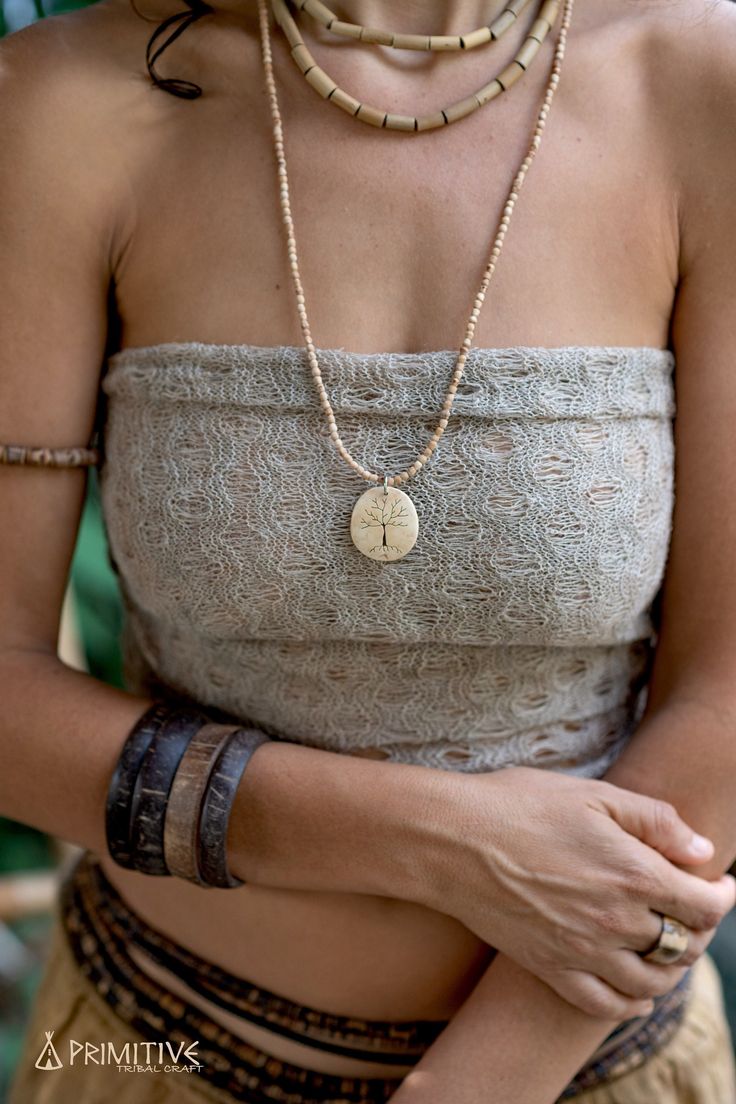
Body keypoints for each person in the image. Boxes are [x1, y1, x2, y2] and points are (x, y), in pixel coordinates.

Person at [2, 0, 736, 1100]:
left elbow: (727, 693)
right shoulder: (66, 101)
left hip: (583, 1074)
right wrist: (443, 841)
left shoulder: (700, 80)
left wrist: (481, 1082)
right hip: (142, 1045)